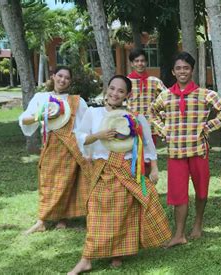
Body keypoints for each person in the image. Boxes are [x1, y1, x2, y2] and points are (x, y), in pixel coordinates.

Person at [68, 75, 171, 274]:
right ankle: (86, 259)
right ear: (107, 89)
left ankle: (118, 253)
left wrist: (155, 169)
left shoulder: (133, 117)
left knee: (123, 213)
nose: (115, 93)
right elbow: (80, 138)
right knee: (96, 212)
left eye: (121, 91)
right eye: (112, 88)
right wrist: (99, 135)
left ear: (128, 95)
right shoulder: (93, 113)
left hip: (125, 169)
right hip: (101, 169)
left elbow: (147, 144)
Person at [149, 52, 221, 248]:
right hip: (176, 153)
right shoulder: (165, 96)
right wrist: (163, 129)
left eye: (186, 68)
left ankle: (198, 223)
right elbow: (152, 112)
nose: (182, 71)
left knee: (202, 192)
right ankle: (179, 234)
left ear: (192, 70)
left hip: (198, 151)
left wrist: (207, 127)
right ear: (173, 71)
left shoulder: (205, 94)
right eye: (178, 68)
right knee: (179, 194)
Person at [19, 66, 89, 234]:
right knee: (47, 181)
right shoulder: (41, 97)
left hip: (70, 146)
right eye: (60, 76)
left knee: (67, 182)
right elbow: (25, 119)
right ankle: (41, 221)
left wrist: (84, 147)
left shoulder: (76, 101)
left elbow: (85, 125)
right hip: (50, 145)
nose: (62, 80)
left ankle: (62, 218)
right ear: (53, 77)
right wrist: (41, 116)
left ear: (70, 81)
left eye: (66, 77)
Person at [127, 48, 167, 144]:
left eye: (142, 61)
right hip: (133, 124)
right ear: (132, 64)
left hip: (150, 125)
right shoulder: (126, 81)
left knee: (150, 156)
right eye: (136, 61)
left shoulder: (155, 81)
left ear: (146, 62)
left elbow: (167, 98)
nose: (140, 63)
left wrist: (162, 112)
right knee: (133, 156)